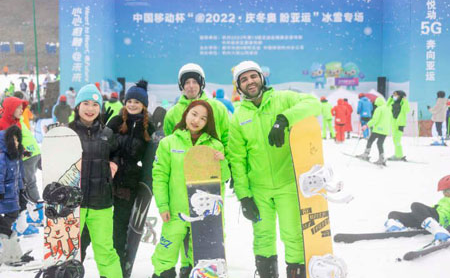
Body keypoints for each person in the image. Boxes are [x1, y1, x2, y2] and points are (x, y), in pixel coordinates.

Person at [228, 60, 321, 278]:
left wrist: (284, 119)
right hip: (258, 190)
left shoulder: (284, 99)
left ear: (261, 78)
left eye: (253, 76)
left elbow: (313, 103)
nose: (250, 82)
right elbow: (238, 160)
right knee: (263, 238)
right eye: (244, 79)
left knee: (293, 236)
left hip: (287, 183)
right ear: (238, 86)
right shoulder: (238, 116)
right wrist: (244, 197)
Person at [151, 100, 230, 278]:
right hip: (175, 212)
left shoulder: (214, 145)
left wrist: (222, 162)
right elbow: (160, 176)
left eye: (203, 118)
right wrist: (163, 205)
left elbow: (223, 178)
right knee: (165, 257)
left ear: (207, 123)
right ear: (186, 113)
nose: (196, 120)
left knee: (203, 261)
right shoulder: (169, 143)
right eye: (194, 114)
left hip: (204, 217)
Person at [68, 84, 122, 278]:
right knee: (68, 252)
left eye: (94, 104)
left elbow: (117, 153)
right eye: (85, 103)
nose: (90, 108)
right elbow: (47, 162)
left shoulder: (107, 134)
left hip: (102, 203)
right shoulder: (67, 133)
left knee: (106, 251)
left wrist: (115, 164)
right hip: (73, 205)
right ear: (77, 106)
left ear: (99, 108)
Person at [107, 80, 155, 276]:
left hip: (129, 184)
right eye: (129, 101)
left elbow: (148, 158)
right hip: (109, 179)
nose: (132, 104)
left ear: (144, 104)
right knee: (104, 225)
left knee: (122, 226)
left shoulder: (148, 128)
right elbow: (105, 147)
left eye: (137, 101)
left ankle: (121, 265)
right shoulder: (116, 122)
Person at [163, 63, 229, 147]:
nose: (191, 86)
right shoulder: (172, 113)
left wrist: (225, 159)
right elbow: (169, 143)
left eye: (195, 82)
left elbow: (227, 138)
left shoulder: (218, 108)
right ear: (181, 86)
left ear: (201, 84)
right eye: (187, 82)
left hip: (212, 158)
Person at [0, 125, 32, 264]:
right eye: (13, 140)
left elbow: (19, 177)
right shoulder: (2, 156)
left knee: (12, 215)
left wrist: (21, 190)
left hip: (12, 195)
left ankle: (11, 254)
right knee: (5, 227)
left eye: (18, 140)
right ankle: (12, 255)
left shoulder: (15, 156)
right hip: (3, 195)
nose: (17, 143)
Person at [385, 175, 450, 241]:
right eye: (444, 191)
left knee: (415, 205)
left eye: (448, 191)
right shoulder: (444, 200)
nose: (445, 194)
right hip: (428, 220)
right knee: (393, 214)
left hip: (439, 219)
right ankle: (395, 226)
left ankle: (438, 229)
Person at [357, 97, 391, 165]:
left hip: (378, 129)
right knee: (380, 143)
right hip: (385, 130)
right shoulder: (388, 109)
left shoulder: (379, 109)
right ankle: (381, 158)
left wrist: (366, 126)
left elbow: (375, 120)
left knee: (370, 140)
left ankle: (365, 154)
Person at [386, 90, 410, 160]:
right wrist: (390, 98)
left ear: (401, 96)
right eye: (393, 95)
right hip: (393, 123)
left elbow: (407, 110)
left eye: (396, 95)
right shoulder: (392, 102)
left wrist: (405, 100)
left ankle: (399, 155)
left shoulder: (403, 103)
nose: (394, 96)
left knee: (397, 140)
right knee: (394, 140)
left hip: (400, 124)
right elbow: (386, 106)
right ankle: (397, 154)